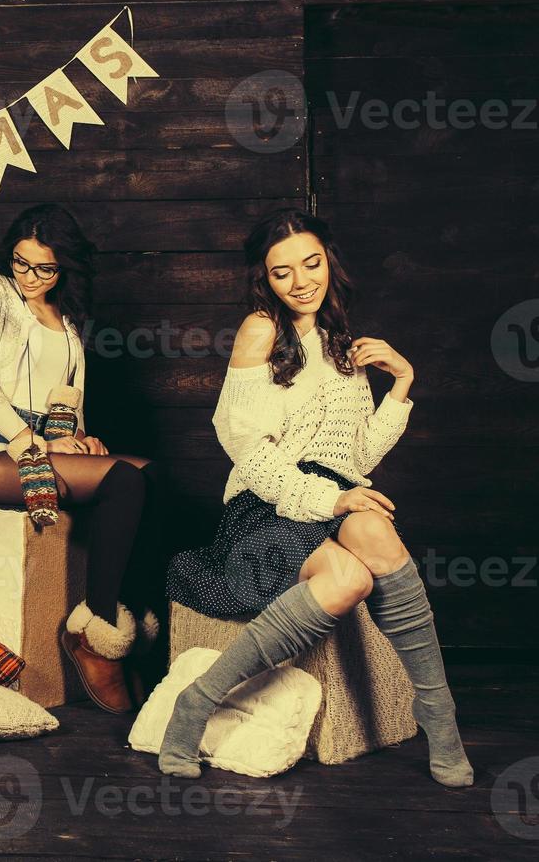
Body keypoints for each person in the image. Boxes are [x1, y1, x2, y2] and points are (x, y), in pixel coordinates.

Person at [159, 209, 472, 787]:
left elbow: (356, 457)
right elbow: (246, 450)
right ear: (264, 279)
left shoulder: (338, 338)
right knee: (351, 576)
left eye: (312, 263)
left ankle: (437, 711)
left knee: (373, 529)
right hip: (264, 502)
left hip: (327, 491)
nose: (302, 281)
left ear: (329, 260)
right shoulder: (261, 330)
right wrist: (331, 502)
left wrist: (402, 384)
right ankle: (197, 704)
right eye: (283, 273)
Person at [0, 203, 167, 713]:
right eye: (20, 263)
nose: (28, 277)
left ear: (64, 266)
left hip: (43, 442)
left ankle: (132, 627)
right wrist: (36, 443)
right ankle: (95, 637)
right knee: (123, 482)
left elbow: (66, 401)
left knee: (150, 476)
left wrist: (83, 440)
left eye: (43, 268)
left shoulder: (66, 315)